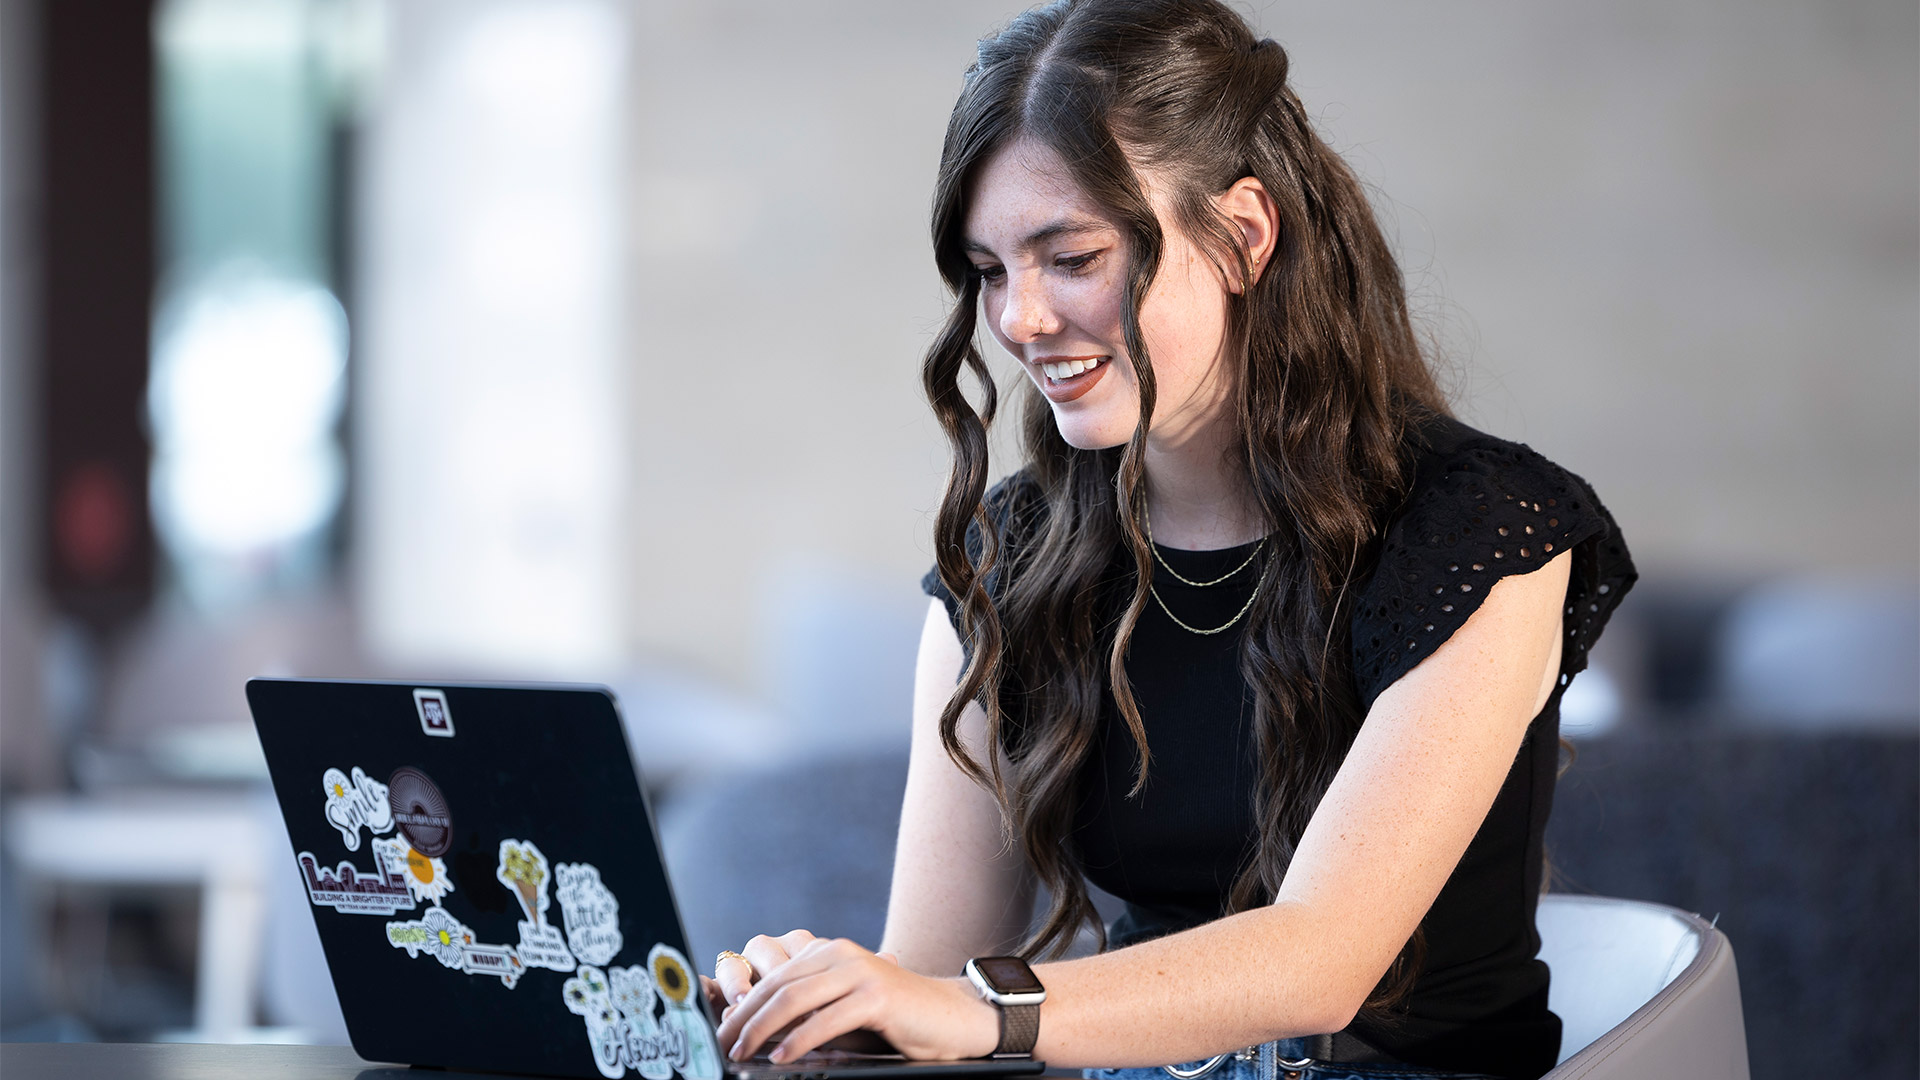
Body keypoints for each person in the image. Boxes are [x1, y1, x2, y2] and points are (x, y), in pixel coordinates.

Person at [704, 2, 1635, 1079]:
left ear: (1243, 236)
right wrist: (825, 1004)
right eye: (992, 270)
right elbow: (935, 968)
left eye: (1071, 257)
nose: (1020, 319)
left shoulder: (1478, 529)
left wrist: (971, 1008)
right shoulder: (1013, 558)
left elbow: (1317, 962)